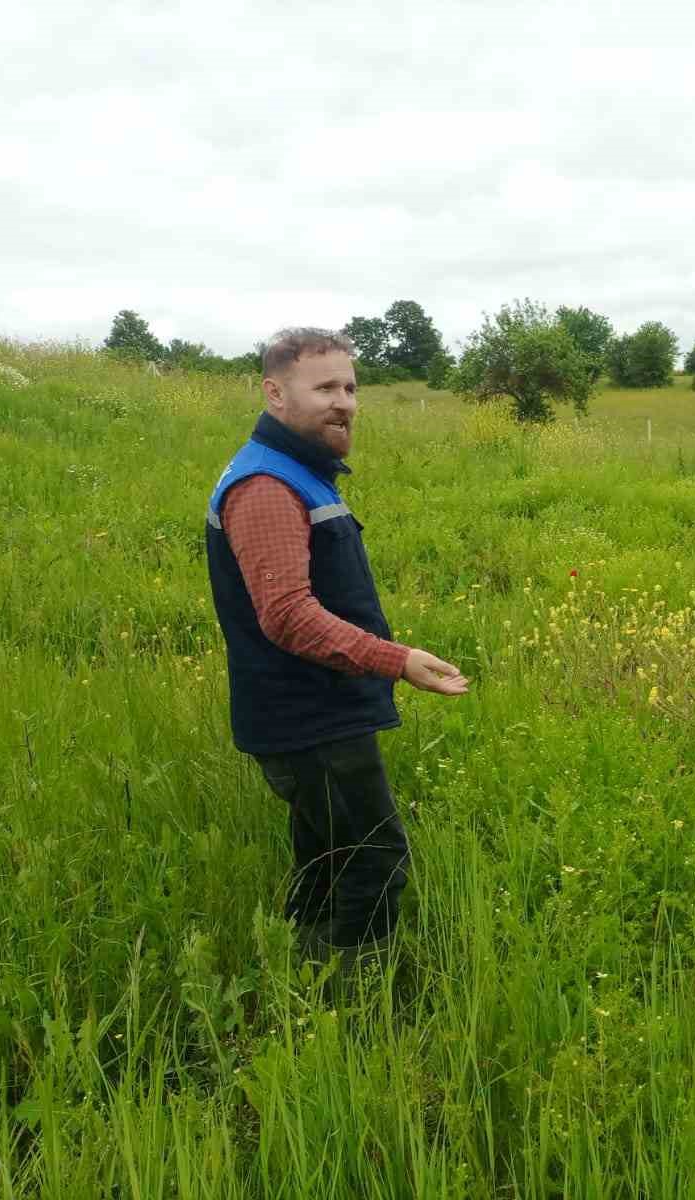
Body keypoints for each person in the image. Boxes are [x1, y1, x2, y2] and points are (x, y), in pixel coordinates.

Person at [205, 328, 469, 958]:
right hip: (310, 717)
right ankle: (354, 995)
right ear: (275, 394)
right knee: (374, 862)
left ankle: (300, 968)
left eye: (349, 388)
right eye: (325, 388)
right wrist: (397, 661)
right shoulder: (267, 486)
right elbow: (288, 616)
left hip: (311, 710)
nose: (344, 402)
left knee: (327, 857)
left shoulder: (296, 470)